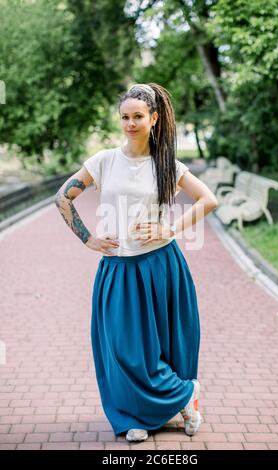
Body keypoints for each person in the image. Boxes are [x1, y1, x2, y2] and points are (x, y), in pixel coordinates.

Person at [55, 82, 219, 442]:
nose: (130, 123)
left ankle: (179, 401)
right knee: (121, 348)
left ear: (154, 118)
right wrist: (89, 238)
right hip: (116, 267)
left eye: (138, 117)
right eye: (125, 117)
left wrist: (170, 229)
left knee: (156, 347)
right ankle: (140, 412)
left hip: (159, 266)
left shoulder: (167, 164)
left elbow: (208, 200)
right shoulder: (103, 161)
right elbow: (62, 198)